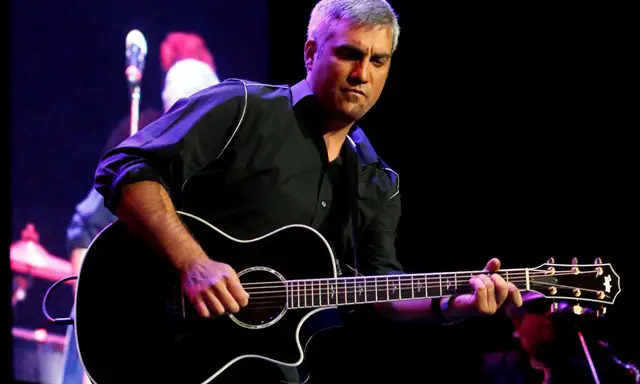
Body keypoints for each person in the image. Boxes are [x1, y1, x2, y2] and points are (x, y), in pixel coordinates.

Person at [93, 0, 523, 382]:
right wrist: (193, 263)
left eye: (379, 60)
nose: (362, 74)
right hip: (163, 345)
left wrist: (457, 305)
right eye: (349, 54)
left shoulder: (377, 181)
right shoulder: (242, 107)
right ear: (310, 52)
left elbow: (382, 293)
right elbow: (122, 167)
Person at [59, 31, 221, 384]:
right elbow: (85, 226)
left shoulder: (225, 163)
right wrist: (95, 308)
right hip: (125, 326)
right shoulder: (143, 136)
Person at [482, 292, 638, 384]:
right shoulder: (493, 369)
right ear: (517, 320)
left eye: (553, 306)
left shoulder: (585, 362)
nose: (549, 313)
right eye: (540, 308)